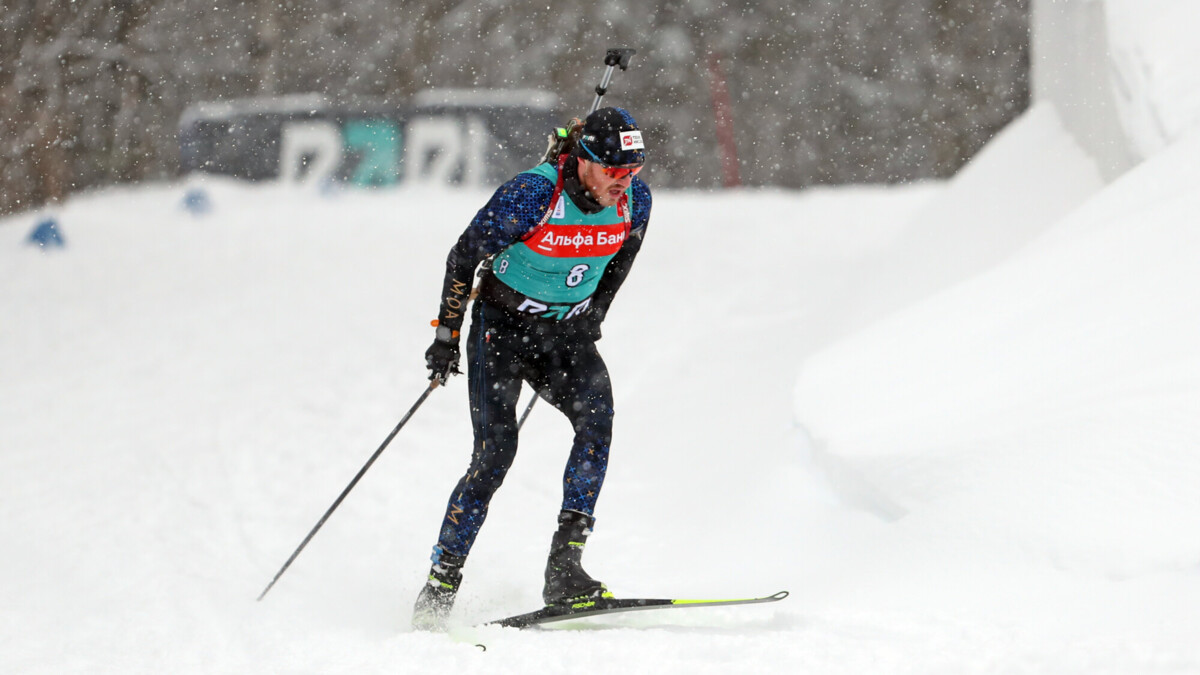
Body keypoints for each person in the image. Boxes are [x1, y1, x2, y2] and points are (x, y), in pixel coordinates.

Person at [412, 107, 652, 630]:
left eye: (632, 170)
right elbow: (463, 257)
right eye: (614, 170)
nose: (624, 181)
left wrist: (596, 314)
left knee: (598, 420)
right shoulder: (532, 194)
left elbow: (621, 261)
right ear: (583, 160)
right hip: (503, 331)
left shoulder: (636, 200)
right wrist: (447, 336)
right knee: (495, 455)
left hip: (563, 334)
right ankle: (440, 586)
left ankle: (565, 568)